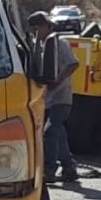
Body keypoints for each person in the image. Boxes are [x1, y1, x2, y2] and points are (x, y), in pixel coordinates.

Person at [28, 10, 79, 183]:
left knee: (50, 132)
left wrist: (58, 80)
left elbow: (73, 64)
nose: (36, 32)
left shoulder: (60, 44)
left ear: (48, 27)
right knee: (59, 135)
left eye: (39, 28)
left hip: (61, 98)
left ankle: (49, 170)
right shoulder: (38, 46)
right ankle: (69, 167)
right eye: (34, 29)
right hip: (47, 99)